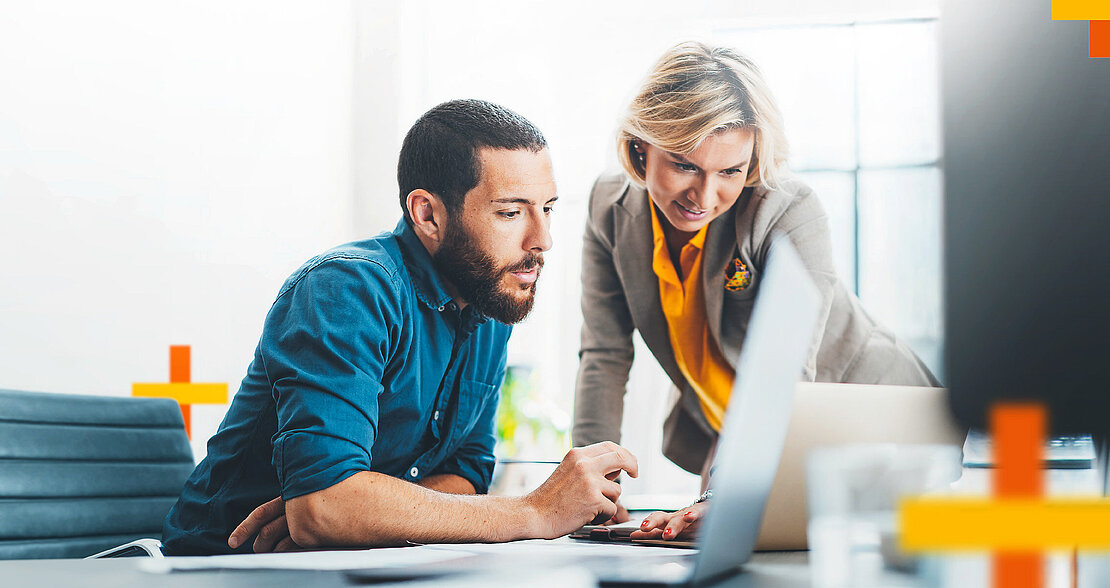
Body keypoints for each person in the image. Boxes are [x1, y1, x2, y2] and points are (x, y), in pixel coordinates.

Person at [161, 99, 637, 555]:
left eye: (547, 208)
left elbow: (465, 471)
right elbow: (323, 508)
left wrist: (361, 516)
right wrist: (533, 512)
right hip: (223, 567)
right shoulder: (346, 289)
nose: (543, 239)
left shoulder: (488, 301)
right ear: (427, 213)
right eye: (511, 213)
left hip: (358, 563)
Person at [571, 42, 938, 541]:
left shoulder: (786, 211)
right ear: (641, 147)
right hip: (739, 439)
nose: (704, 197)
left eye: (730, 172)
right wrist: (592, 488)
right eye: (684, 165)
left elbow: (783, 380)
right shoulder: (607, 208)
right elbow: (604, 356)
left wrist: (724, 494)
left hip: (871, 423)